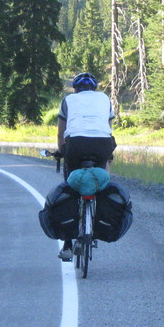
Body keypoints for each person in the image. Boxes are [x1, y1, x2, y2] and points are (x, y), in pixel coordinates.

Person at [56, 72, 116, 261]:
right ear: (94, 88)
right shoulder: (105, 98)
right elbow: (108, 127)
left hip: (76, 143)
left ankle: (67, 244)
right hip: (103, 142)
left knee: (70, 187)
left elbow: (61, 133)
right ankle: (102, 198)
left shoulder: (68, 100)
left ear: (75, 89)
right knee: (105, 167)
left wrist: (62, 151)